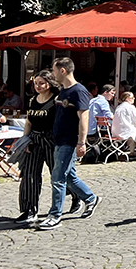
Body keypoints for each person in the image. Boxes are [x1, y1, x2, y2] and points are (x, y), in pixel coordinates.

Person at [37, 58, 101, 230]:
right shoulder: (63, 90)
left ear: (63, 70)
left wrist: (81, 142)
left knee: (58, 177)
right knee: (69, 176)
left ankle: (54, 215)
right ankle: (90, 198)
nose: (52, 74)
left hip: (69, 140)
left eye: (54, 70)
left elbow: (84, 117)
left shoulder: (78, 91)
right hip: (58, 139)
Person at [17, 71, 70, 225]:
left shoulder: (57, 100)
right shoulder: (33, 100)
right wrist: (25, 139)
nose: (38, 86)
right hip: (34, 140)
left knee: (58, 175)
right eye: (36, 83)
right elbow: (29, 122)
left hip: (51, 140)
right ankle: (29, 209)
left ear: (49, 83)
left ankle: (76, 197)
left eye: (41, 83)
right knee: (30, 175)